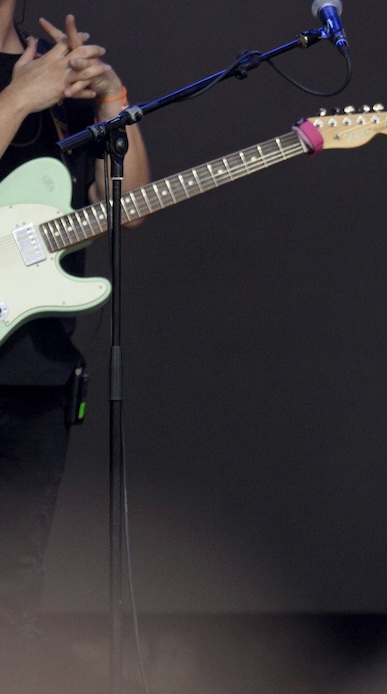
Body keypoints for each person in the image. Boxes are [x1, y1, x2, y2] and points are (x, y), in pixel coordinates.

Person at [0, 3, 150, 654]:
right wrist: (16, 99)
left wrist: (112, 94)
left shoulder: (55, 68)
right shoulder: (32, 82)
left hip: (36, 368)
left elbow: (126, 205)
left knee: (15, 578)